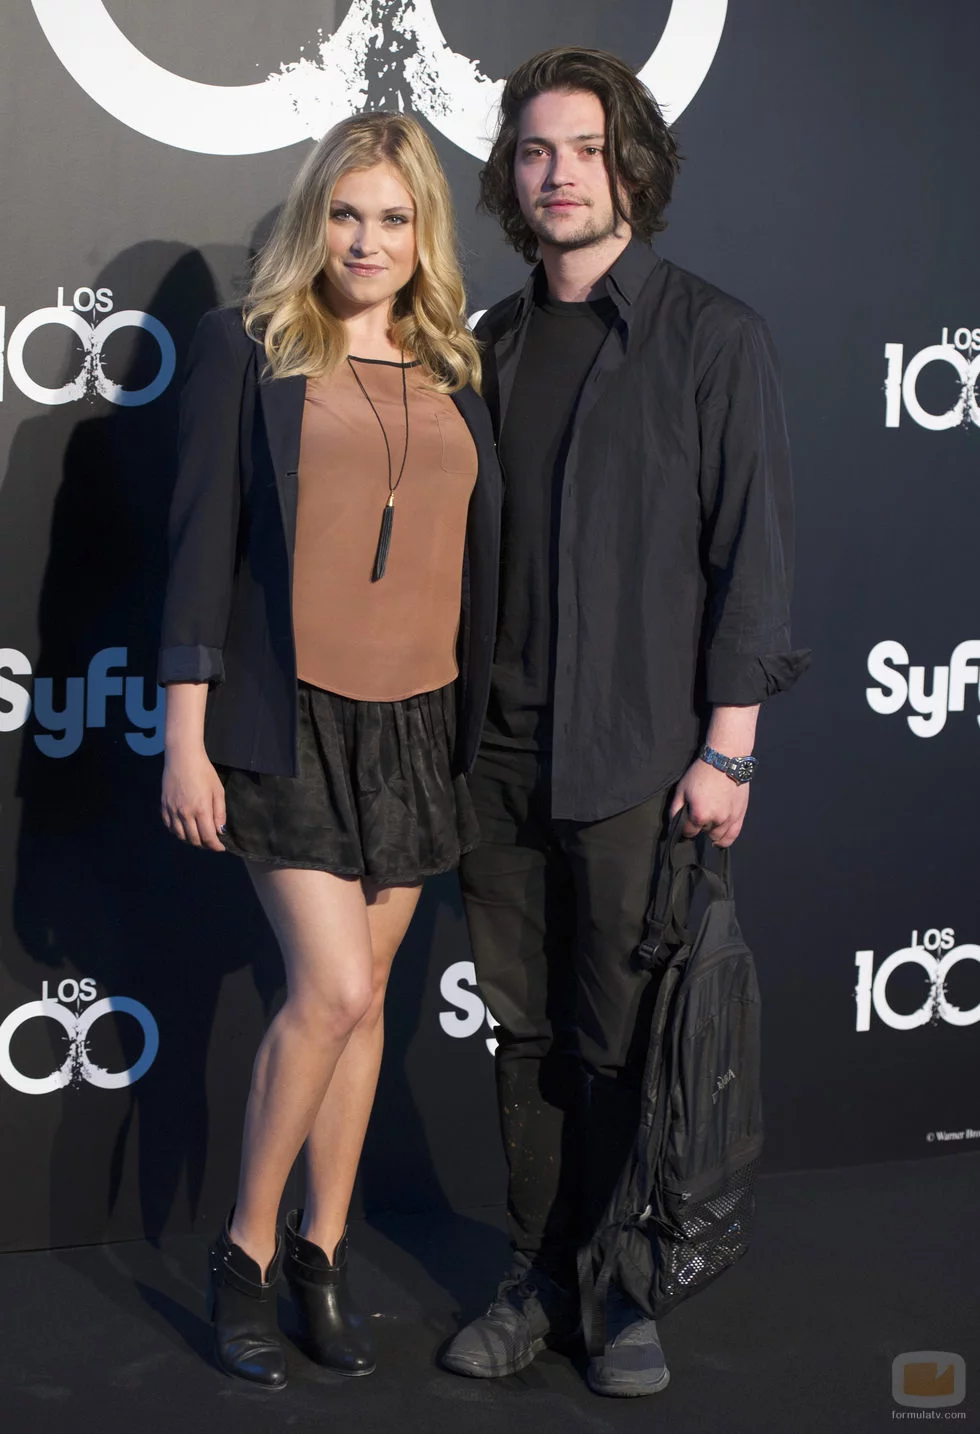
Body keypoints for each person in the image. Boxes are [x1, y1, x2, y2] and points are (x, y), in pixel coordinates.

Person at [442, 48, 808, 1398]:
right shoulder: (484, 344)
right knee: (525, 1034)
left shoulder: (713, 337)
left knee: (623, 1036)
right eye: (536, 151)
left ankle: (621, 1293)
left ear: (631, 167)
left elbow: (751, 560)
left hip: (640, 758)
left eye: (585, 149)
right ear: (511, 174)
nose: (558, 174)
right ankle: (535, 1278)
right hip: (494, 756)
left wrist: (728, 747)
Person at [158, 112, 500, 1391]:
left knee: (367, 1001)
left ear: (424, 235)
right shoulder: (248, 348)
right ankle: (244, 1257)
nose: (367, 241)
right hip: (286, 712)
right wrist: (184, 738)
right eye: (346, 215)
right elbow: (199, 549)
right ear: (316, 220)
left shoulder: (457, 364)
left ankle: (321, 1252)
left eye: (393, 219)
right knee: (335, 989)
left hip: (418, 720)